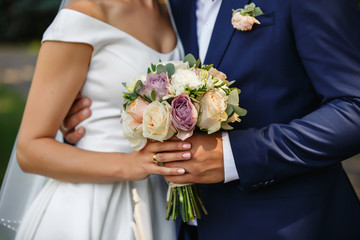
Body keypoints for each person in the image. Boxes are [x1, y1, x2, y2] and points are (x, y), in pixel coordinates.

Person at [66, 0, 360, 239]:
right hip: (169, 224)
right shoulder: (168, 7)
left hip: (288, 224)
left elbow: (353, 108)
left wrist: (234, 156)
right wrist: (87, 120)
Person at [7, 0, 192, 239]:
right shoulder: (85, 13)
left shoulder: (170, 8)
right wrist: (130, 164)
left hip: (157, 203)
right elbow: (29, 150)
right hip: (90, 207)